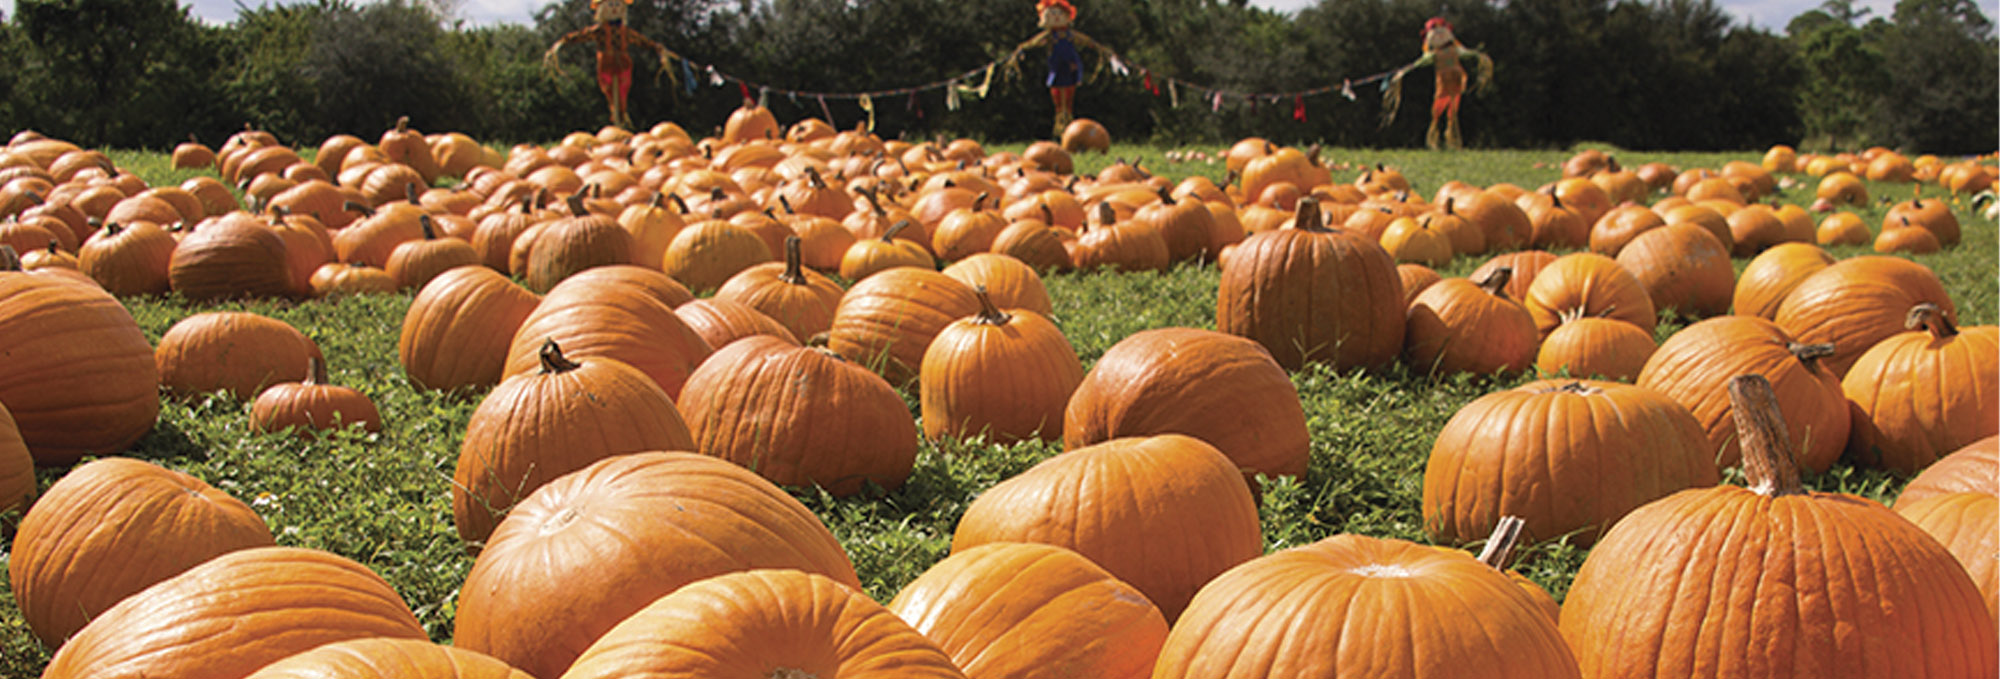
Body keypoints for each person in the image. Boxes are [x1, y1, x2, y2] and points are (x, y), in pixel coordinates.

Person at [544, 0, 676, 130]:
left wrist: (656, 47)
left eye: (617, 4)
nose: (614, 8)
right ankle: (617, 117)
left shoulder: (625, 31)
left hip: (623, 64)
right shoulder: (600, 30)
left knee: (622, 91)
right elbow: (584, 34)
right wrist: (565, 40)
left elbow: (640, 40)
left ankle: (621, 116)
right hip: (606, 64)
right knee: (609, 90)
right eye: (611, 4)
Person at [1382, 17, 1494, 150]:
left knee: (1453, 111)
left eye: (1442, 30)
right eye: (1435, 32)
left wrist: (1480, 57)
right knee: (1438, 110)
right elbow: (1420, 62)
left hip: (1456, 82)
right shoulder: (1433, 55)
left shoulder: (1456, 50)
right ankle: (1435, 138)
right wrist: (1404, 71)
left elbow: (1468, 53)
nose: (1439, 34)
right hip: (1443, 84)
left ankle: (1453, 140)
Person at [1010, 0, 1114, 138]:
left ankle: (1067, 127)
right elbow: (1033, 42)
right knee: (1058, 98)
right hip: (1057, 68)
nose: (1057, 16)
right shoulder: (1049, 36)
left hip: (1070, 68)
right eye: (1053, 14)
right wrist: (1021, 48)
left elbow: (1087, 41)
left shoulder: (1070, 35)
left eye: (1060, 13)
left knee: (1068, 98)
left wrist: (1100, 49)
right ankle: (1060, 127)